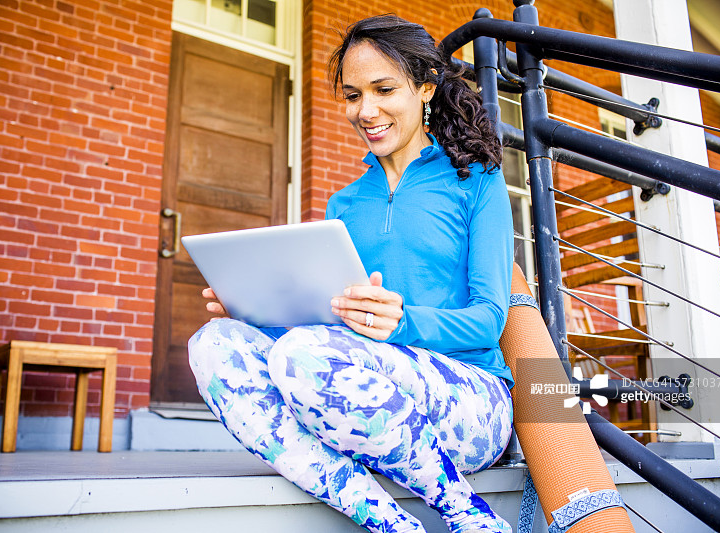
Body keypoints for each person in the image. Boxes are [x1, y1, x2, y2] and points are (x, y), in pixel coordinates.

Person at [188, 14, 515, 533]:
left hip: (471, 403)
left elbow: (489, 319)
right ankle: (387, 521)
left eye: (384, 89)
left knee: (307, 352)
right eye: (352, 95)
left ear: (426, 88)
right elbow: (328, 327)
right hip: (357, 393)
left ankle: (467, 515)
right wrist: (252, 312)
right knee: (213, 343)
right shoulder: (344, 204)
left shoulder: (476, 182)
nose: (366, 111)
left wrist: (401, 322)